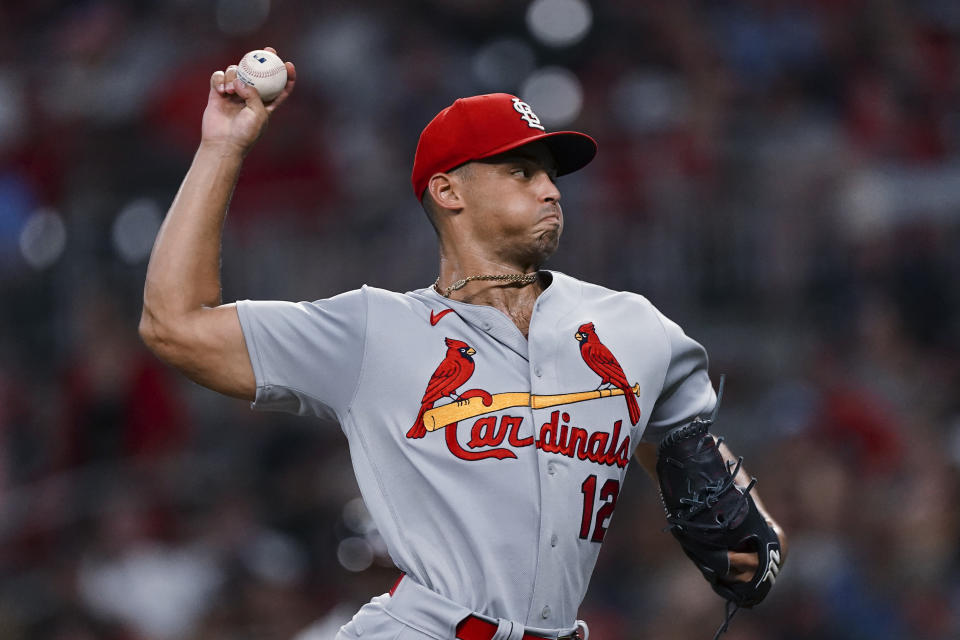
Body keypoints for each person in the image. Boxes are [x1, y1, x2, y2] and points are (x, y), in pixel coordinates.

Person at [140, 48, 787, 640]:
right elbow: (175, 324)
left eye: (552, 174)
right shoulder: (373, 333)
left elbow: (687, 456)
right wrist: (221, 148)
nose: (551, 189)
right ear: (448, 190)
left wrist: (748, 533)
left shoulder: (635, 329)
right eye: (520, 170)